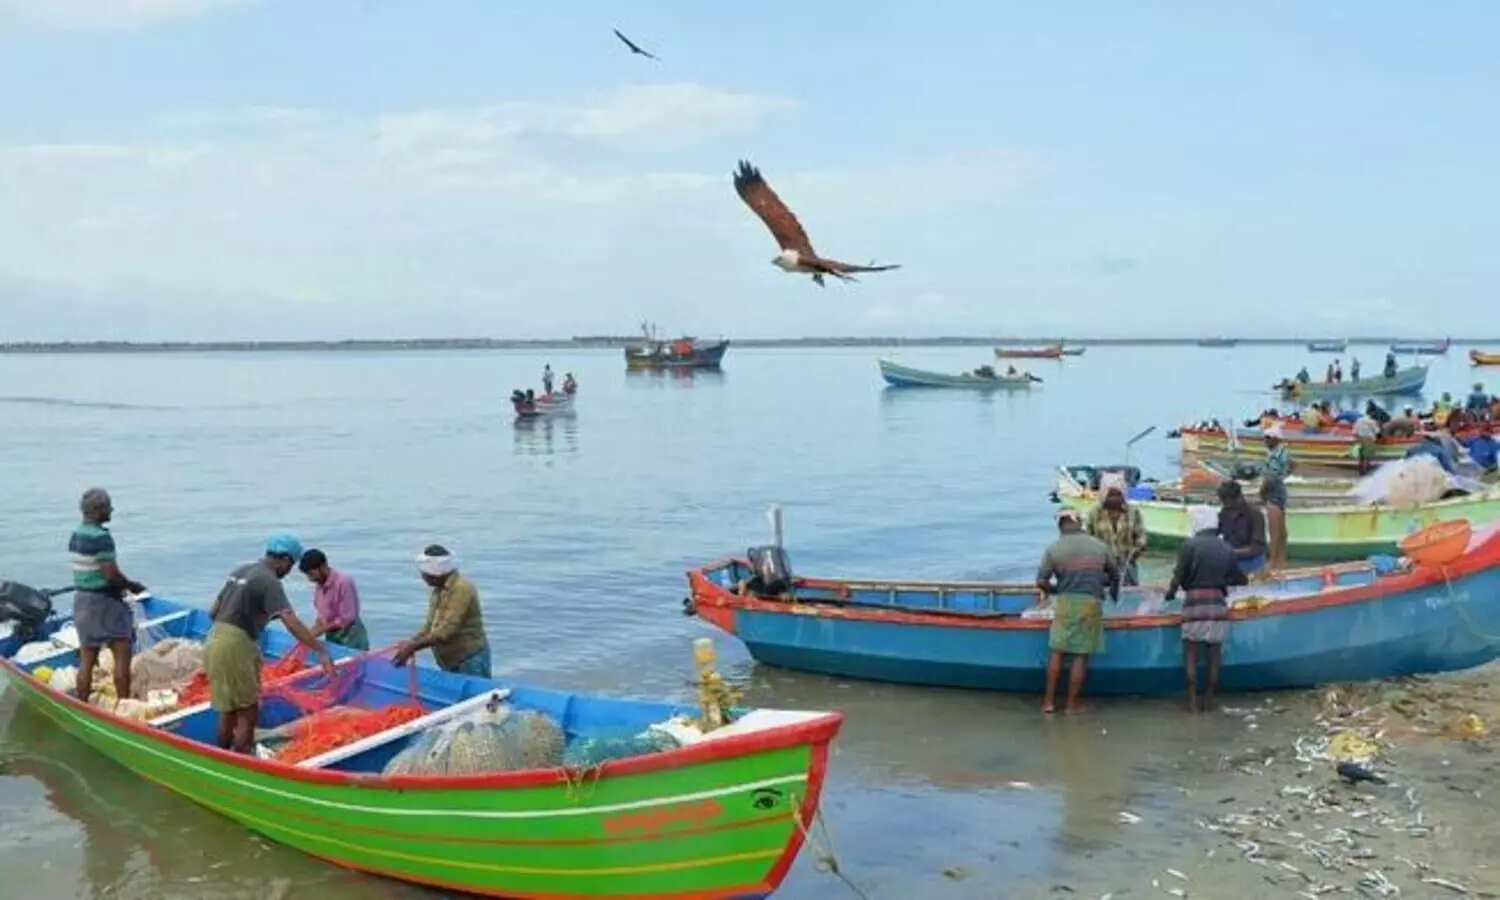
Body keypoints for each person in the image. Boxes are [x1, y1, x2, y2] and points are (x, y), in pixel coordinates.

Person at [204, 534, 334, 753]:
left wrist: (254, 615)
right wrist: (321, 650)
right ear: (284, 559)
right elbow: (290, 621)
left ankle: (222, 756)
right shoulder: (269, 580)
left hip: (214, 639)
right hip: (236, 644)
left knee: (228, 710)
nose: (288, 571)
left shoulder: (241, 571)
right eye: (290, 565)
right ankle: (242, 760)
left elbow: (213, 612)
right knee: (248, 711)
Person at [68, 488, 148, 704]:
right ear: (97, 510)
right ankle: (124, 705)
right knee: (122, 652)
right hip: (104, 603)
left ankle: (82, 703)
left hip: (82, 602)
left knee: (87, 658)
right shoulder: (101, 538)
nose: (111, 510)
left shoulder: (77, 534)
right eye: (108, 507)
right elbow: (110, 574)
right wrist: (132, 586)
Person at [1164, 506, 1247, 713]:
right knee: (1214, 657)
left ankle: (1192, 702)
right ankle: (1209, 700)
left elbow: (1178, 577)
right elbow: (1239, 578)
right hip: (1217, 605)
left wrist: (1170, 594)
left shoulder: (1189, 546)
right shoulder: (1226, 548)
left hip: (1193, 604)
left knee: (1190, 654)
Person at [1035, 509, 1117, 715]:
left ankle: (1048, 703)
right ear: (1080, 524)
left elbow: (1041, 581)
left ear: (1060, 527)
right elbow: (1114, 574)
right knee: (1080, 655)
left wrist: (1056, 590)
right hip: (1091, 602)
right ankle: (1072, 705)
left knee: (1057, 650)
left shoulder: (1054, 549)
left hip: (1065, 602)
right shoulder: (1099, 546)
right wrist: (1105, 585)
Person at [392, 544, 492, 678]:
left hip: (468, 659)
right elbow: (430, 626)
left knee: (478, 690)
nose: (423, 577)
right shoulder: (438, 590)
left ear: (435, 574)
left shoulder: (462, 589)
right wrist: (411, 642)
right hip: (450, 660)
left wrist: (412, 647)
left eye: (425, 574)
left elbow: (446, 631)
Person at [298, 548, 369, 650]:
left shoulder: (344, 582)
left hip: (351, 636)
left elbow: (347, 617)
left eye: (312, 574)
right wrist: (313, 630)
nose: (310, 579)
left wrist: (321, 630)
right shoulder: (319, 586)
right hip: (332, 635)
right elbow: (323, 614)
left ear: (323, 567)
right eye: (308, 575)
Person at [1084, 474, 1147, 587]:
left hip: (1127, 564)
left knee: (1129, 593)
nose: (1114, 498)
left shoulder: (1133, 513)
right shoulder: (1095, 513)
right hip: (1103, 566)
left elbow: (1141, 535)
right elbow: (1087, 538)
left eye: (1118, 495)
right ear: (1103, 494)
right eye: (1110, 495)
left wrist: (1139, 547)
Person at [1216, 481, 1268, 577]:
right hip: (1231, 560)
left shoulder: (1255, 514)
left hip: (1252, 562)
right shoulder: (1223, 513)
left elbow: (1257, 547)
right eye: (1224, 503)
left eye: (1229, 503)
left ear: (1239, 498)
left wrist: (1230, 552)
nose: (1226, 506)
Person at [1260, 427, 1291, 571]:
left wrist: (1262, 492)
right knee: (1281, 530)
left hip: (1273, 491)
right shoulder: (1284, 452)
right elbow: (1292, 466)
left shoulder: (1274, 455)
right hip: (1281, 488)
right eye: (1265, 437)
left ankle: (1272, 563)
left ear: (1275, 439)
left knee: (1274, 530)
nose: (1265, 440)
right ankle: (1281, 560)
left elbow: (1270, 477)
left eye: (1268, 438)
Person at [1352, 411, 1380, 475]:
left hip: (1359, 438)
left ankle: (1360, 470)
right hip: (1368, 438)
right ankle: (1365, 471)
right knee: (1366, 456)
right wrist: (1378, 425)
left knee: (1361, 456)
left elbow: (1354, 432)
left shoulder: (1359, 420)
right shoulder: (1372, 421)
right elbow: (1377, 431)